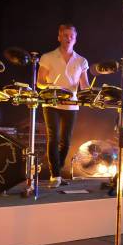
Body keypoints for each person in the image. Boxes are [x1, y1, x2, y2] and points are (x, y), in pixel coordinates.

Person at [37, 24, 89, 188]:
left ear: (75, 39)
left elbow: (85, 85)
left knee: (65, 141)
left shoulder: (81, 60)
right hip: (51, 102)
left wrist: (92, 93)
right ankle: (56, 175)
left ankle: (57, 171)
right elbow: (39, 82)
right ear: (59, 37)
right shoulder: (47, 57)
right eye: (65, 35)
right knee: (53, 138)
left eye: (71, 36)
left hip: (71, 104)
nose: (68, 38)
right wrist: (52, 89)